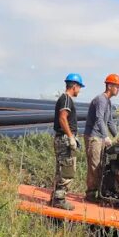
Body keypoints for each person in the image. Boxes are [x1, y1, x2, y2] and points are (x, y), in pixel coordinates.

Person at [84, 73, 119, 200]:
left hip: (100, 137)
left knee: (101, 165)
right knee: (94, 165)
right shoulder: (101, 100)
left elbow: (109, 121)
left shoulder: (108, 102)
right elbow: (99, 118)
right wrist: (106, 136)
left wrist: (117, 136)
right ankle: (90, 194)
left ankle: (99, 192)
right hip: (94, 137)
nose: (118, 89)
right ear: (109, 86)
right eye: (117, 86)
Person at [51, 72, 84, 210]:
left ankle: (56, 198)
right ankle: (59, 199)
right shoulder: (66, 99)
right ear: (74, 86)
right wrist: (71, 136)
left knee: (61, 169)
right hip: (64, 139)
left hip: (62, 138)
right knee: (67, 170)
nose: (80, 90)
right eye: (79, 87)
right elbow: (63, 118)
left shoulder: (65, 99)